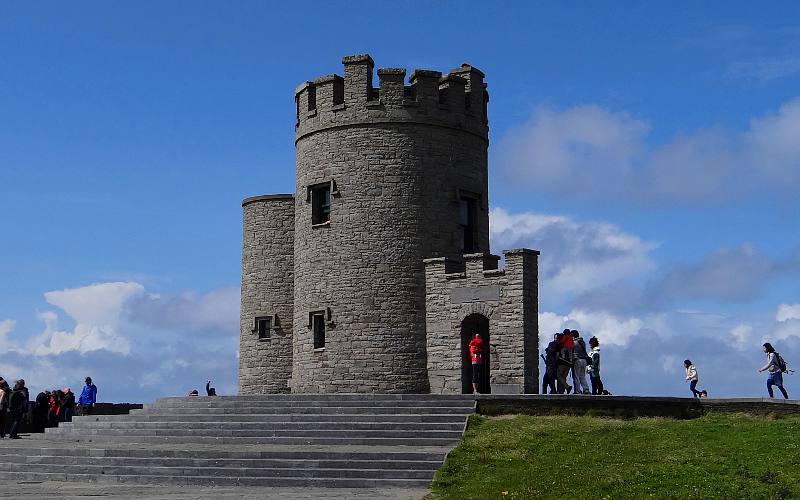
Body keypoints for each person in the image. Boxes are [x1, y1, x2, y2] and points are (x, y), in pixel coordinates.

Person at [571, 330, 591, 395]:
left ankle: (577, 391)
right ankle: (586, 389)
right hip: (584, 360)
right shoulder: (582, 342)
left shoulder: (574, 343)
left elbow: (572, 352)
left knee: (576, 376)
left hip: (577, 360)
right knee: (582, 376)